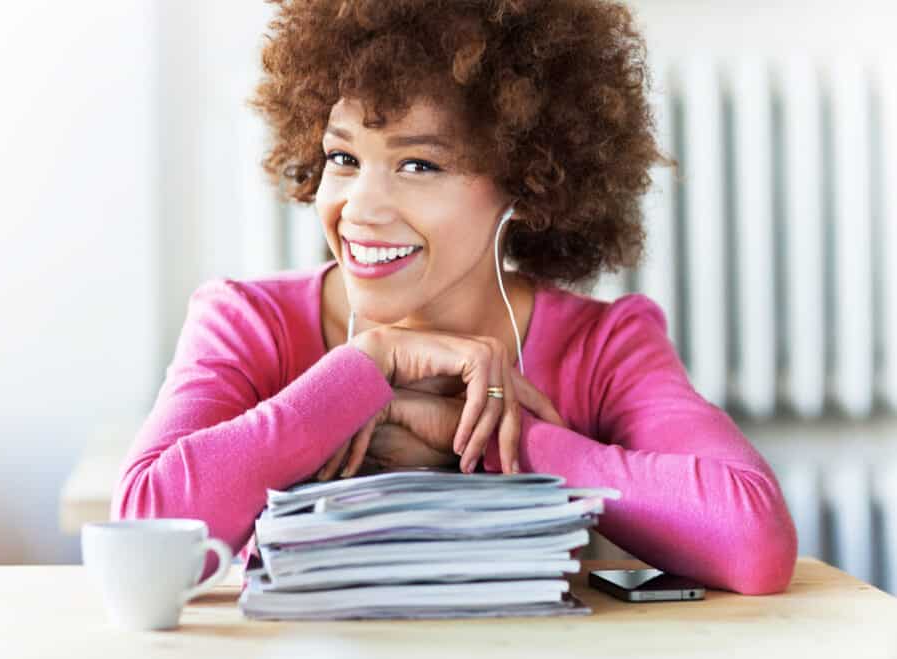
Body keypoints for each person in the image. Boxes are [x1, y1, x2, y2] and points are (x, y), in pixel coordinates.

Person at [111, 0, 798, 595]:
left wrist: (499, 438)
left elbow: (754, 541)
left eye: (419, 164)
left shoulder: (603, 344)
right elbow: (143, 524)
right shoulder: (247, 321)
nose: (361, 209)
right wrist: (365, 368)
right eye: (344, 158)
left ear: (527, 183)